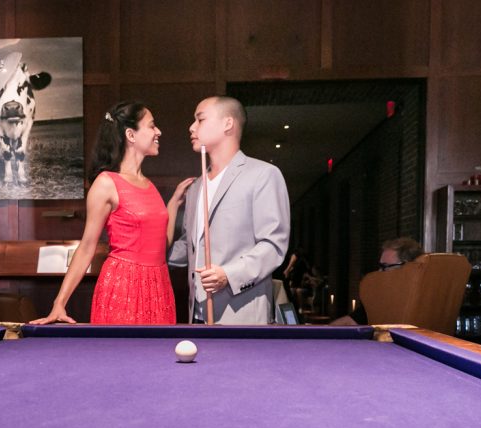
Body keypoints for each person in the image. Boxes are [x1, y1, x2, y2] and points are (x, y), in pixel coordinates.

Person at [32, 102, 192, 325]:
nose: (158, 132)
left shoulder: (149, 185)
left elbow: (159, 247)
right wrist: (59, 303)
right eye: (152, 126)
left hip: (158, 287)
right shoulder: (106, 183)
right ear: (130, 135)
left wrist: (174, 203)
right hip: (123, 288)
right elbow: (87, 246)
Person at [167, 96, 290, 324]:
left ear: (228, 124)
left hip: (242, 315)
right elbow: (190, 246)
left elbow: (273, 246)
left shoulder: (263, 175)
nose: (191, 127)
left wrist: (228, 275)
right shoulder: (195, 187)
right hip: (198, 315)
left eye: (200, 119)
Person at [332, 237, 425, 325]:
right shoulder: (381, 297)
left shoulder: (427, 298)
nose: (379, 272)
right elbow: (348, 322)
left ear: (408, 268)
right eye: (380, 266)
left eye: (385, 267)